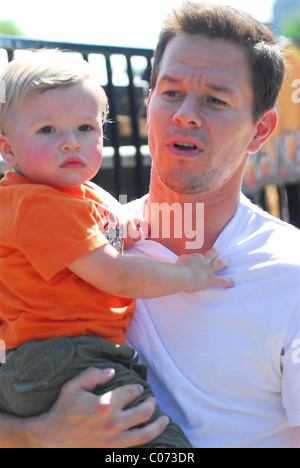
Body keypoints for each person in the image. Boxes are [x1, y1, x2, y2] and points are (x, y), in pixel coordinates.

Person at [1, 1, 299, 448]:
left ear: (260, 131)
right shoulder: (91, 234)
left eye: (215, 100)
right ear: (148, 104)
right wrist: (38, 435)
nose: (185, 114)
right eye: (171, 92)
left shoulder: (288, 276)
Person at [0, 48, 234, 448]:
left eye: (85, 128)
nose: (70, 143)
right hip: (67, 358)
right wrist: (187, 274)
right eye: (47, 130)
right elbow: (114, 273)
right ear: (8, 150)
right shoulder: (38, 203)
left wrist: (123, 229)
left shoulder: (74, 194)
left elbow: (90, 242)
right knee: (160, 445)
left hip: (57, 361)